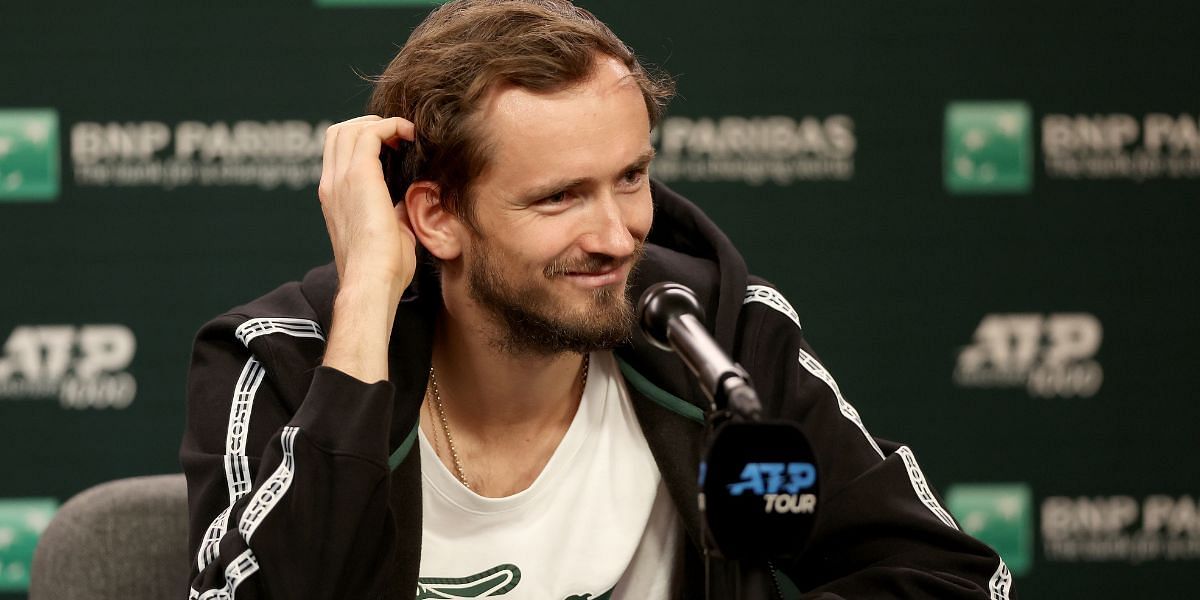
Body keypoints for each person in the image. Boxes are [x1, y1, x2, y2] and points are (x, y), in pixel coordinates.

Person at [180, 1, 1013, 598]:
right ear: (435, 215)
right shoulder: (284, 357)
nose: (618, 235)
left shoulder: (717, 341)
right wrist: (365, 299)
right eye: (560, 198)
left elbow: (961, 580)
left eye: (632, 178)